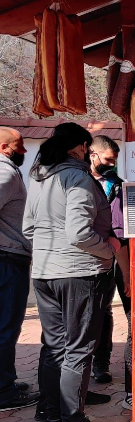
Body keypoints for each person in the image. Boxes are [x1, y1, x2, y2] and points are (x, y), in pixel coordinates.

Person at [23, 123, 121, 422]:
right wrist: (109, 249)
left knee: (54, 347)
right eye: (86, 148)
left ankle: (48, 413)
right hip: (80, 273)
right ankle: (71, 417)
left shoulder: (39, 177)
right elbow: (78, 233)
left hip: (44, 272)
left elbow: (28, 227)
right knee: (78, 350)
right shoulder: (77, 177)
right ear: (79, 148)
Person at [0, 127, 40, 411]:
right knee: (6, 326)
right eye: (19, 146)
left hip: (9, 257)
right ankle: (3, 392)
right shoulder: (5, 172)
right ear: (4, 147)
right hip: (7, 259)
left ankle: (6, 380)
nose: (24, 152)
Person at [87, 136, 125, 402]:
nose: (112, 165)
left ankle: (102, 363)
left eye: (115, 161)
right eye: (108, 160)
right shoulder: (78, 182)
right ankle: (83, 367)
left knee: (108, 311)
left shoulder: (118, 185)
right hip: (87, 256)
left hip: (115, 253)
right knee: (90, 313)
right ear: (92, 154)